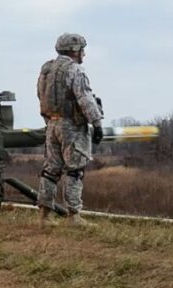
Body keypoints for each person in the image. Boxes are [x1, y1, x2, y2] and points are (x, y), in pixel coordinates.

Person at [36, 33, 103, 228]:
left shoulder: (46, 69)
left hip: (52, 124)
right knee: (75, 170)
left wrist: (48, 120)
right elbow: (85, 98)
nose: (83, 54)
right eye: (82, 50)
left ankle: (44, 217)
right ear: (74, 51)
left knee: (50, 171)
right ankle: (74, 216)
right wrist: (96, 123)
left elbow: (40, 95)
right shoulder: (75, 70)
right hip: (72, 127)